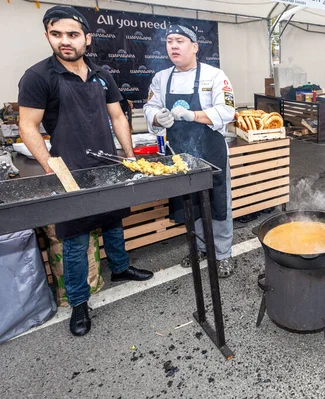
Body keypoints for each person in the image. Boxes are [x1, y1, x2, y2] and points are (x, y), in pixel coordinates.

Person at [17, 6, 154, 336]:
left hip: (107, 163)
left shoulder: (100, 73)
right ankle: (79, 302)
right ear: (48, 35)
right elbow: (28, 126)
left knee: (113, 219)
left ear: (87, 39)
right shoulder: (39, 77)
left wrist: (130, 155)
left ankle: (120, 268)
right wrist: (52, 167)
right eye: (57, 34)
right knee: (76, 239)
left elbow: (119, 116)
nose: (65, 41)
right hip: (71, 168)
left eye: (73, 35)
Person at [143, 23, 235, 277]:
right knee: (190, 202)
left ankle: (224, 254)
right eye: (169, 41)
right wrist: (156, 117)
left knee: (218, 202)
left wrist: (192, 114)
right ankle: (201, 247)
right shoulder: (161, 78)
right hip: (179, 152)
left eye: (180, 41)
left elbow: (227, 111)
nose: (173, 45)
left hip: (210, 150)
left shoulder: (215, 76)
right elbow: (149, 107)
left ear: (194, 47)